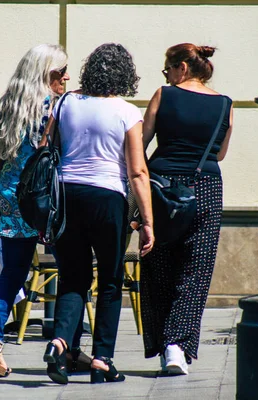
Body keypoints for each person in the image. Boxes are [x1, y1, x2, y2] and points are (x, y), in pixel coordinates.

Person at [42, 43, 154, 385]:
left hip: (67, 197)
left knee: (73, 278)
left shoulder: (65, 103)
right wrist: (148, 221)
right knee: (108, 282)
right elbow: (137, 172)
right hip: (109, 199)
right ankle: (102, 359)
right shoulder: (127, 112)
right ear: (125, 75)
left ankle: (60, 344)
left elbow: (48, 149)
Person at [0, 44, 92, 378]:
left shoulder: (6, 106)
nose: (66, 77)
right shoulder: (57, 107)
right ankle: (67, 346)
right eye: (60, 72)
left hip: (12, 198)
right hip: (49, 200)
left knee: (12, 273)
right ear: (45, 73)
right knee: (74, 270)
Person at [139, 43, 233, 376]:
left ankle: (167, 344)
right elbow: (219, 154)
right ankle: (176, 346)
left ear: (181, 67)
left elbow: (143, 141)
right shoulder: (225, 105)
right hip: (205, 186)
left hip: (161, 185)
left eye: (167, 69)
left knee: (159, 264)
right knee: (196, 269)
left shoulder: (164, 95)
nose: (165, 76)